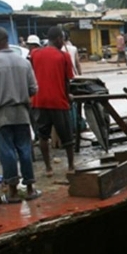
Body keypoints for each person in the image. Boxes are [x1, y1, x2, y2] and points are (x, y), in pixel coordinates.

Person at [0, 27, 39, 203]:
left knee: (7, 151)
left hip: (1, 113)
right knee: (24, 149)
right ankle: (30, 188)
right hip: (21, 111)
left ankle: (12, 191)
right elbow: (33, 88)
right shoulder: (23, 62)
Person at [31, 26, 75, 176]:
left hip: (39, 101)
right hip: (58, 101)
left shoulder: (35, 54)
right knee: (67, 136)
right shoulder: (63, 56)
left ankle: (48, 168)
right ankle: (71, 166)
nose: (63, 42)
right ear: (58, 39)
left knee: (43, 136)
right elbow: (67, 81)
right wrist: (68, 96)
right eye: (62, 39)